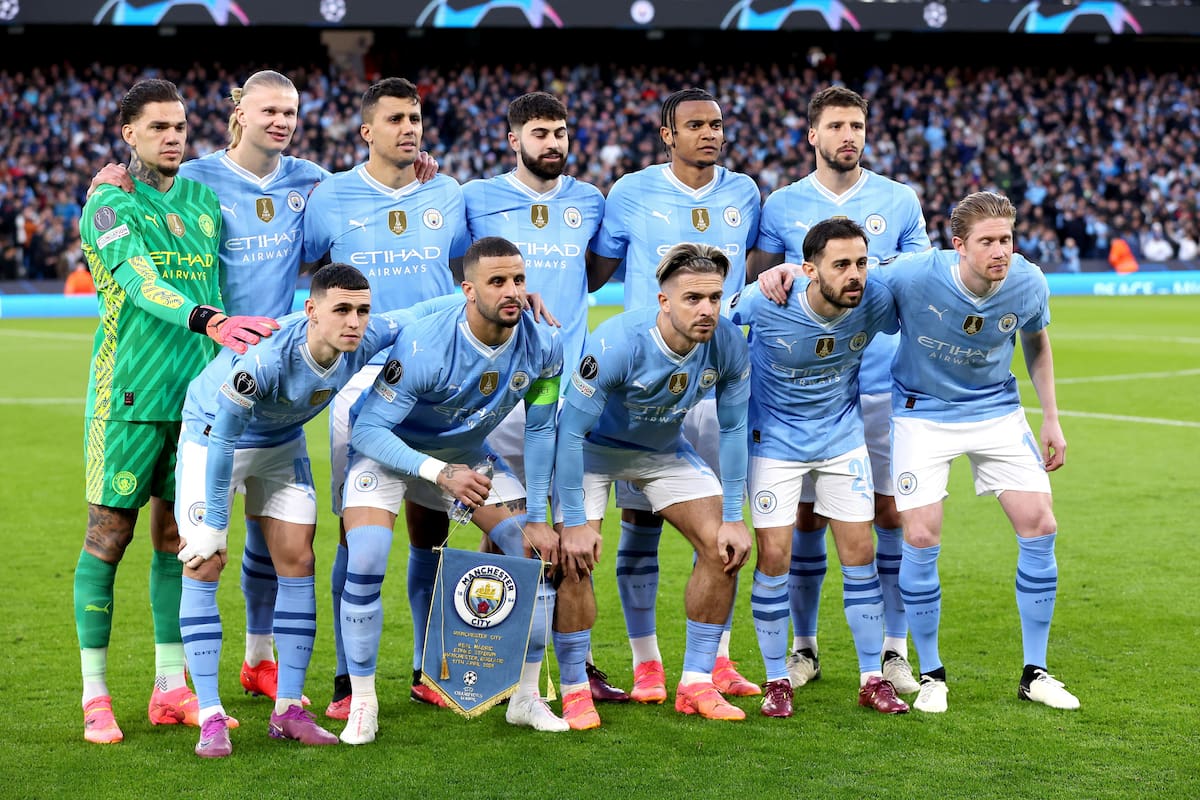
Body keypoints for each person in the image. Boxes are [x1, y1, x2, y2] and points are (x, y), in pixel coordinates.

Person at [89, 70, 441, 713]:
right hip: (210, 368)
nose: (281, 121)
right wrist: (113, 177)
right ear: (237, 115)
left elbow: (361, 198)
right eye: (268, 111)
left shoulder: (311, 183)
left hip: (284, 369)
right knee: (194, 537)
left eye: (291, 112)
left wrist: (414, 168)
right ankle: (184, 683)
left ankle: (257, 659)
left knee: (272, 530)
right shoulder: (193, 179)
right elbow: (140, 196)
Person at [173, 262, 461, 756]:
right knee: (205, 561)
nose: (354, 321)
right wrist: (217, 524)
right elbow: (223, 436)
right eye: (342, 310)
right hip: (214, 440)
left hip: (281, 445)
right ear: (311, 311)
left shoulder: (364, 338)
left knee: (299, 562)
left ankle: (288, 710)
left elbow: (418, 311)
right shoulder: (265, 358)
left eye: (362, 311)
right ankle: (210, 715)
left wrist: (478, 297)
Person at [73, 77, 277, 745]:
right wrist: (209, 320)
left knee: (176, 541)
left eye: (180, 127)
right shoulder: (106, 202)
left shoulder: (201, 199)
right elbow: (138, 281)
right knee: (108, 537)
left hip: (195, 404)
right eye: (157, 127)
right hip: (127, 397)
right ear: (128, 133)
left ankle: (170, 688)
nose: (172, 137)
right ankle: (95, 694)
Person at [338, 236, 566, 742]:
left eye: (520, 280)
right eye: (498, 282)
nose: (513, 292)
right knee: (368, 556)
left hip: (466, 455)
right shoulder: (425, 342)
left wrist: (539, 514)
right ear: (468, 289)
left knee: (534, 550)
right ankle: (363, 703)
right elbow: (369, 430)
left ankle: (526, 697)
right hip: (390, 450)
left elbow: (542, 428)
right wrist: (439, 473)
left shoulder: (545, 342)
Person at [585, 88, 763, 702]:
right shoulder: (631, 192)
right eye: (695, 125)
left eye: (717, 123)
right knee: (638, 523)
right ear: (668, 134)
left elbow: (754, 268)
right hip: (637, 384)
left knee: (719, 530)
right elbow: (594, 273)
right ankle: (646, 663)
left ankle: (715, 662)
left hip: (712, 378)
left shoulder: (745, 193)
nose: (709, 134)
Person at [302, 76, 471, 717]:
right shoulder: (329, 197)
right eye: (396, 119)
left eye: (417, 118)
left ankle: (428, 669)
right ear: (366, 131)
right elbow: (301, 267)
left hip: (435, 382)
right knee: (358, 536)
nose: (410, 128)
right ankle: (348, 681)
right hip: (357, 386)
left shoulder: (448, 192)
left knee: (431, 530)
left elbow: (472, 269)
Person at [751, 86, 929, 695]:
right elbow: (767, 287)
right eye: (836, 125)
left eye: (857, 124)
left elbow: (915, 284)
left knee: (887, 515)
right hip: (808, 397)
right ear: (812, 135)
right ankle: (803, 649)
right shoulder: (779, 204)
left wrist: (863, 274)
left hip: (883, 386)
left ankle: (893, 650)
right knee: (804, 518)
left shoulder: (900, 201)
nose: (848, 135)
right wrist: (775, 274)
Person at [875, 191, 1078, 713]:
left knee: (1041, 523)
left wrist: (1050, 415)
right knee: (919, 533)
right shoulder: (913, 274)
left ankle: (1035, 672)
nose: (1000, 251)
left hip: (997, 412)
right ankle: (932, 675)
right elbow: (847, 281)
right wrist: (780, 276)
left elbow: (1036, 341)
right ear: (958, 245)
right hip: (922, 414)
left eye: (1006, 239)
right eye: (987, 241)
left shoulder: (1028, 280)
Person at [461, 91, 628, 703]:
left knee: (567, 532)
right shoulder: (475, 198)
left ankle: (572, 669)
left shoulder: (590, 200)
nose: (553, 142)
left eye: (560, 132)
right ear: (513, 139)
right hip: (498, 394)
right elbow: (462, 274)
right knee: (507, 530)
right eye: (540, 133)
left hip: (568, 391)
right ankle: (479, 660)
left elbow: (595, 273)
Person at [553, 243, 753, 729]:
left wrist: (733, 516)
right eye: (692, 299)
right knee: (573, 558)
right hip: (593, 449)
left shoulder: (727, 342)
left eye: (714, 298)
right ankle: (575, 689)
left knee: (723, 548)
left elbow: (731, 430)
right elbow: (570, 433)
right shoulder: (618, 341)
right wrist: (576, 523)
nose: (706, 309)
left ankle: (696, 682)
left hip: (664, 451)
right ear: (664, 302)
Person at [729, 219, 908, 718]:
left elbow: (914, 274)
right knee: (774, 558)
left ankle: (872, 678)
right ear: (809, 269)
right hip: (775, 443)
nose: (856, 275)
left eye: (861, 263)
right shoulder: (766, 300)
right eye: (842, 265)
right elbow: (715, 321)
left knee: (860, 553)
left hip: (841, 439)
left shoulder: (873, 299)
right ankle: (776, 679)